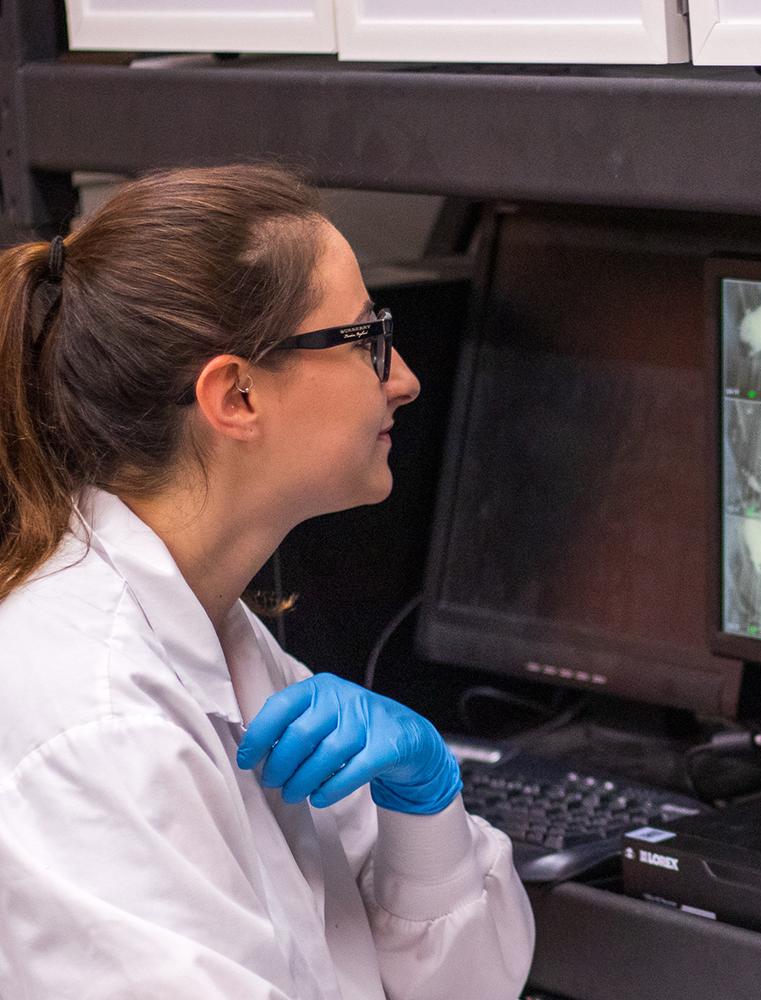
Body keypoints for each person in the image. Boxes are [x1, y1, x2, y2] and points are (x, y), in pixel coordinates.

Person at [0, 165, 534, 999]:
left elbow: (468, 986)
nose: (403, 379)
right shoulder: (97, 725)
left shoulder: (221, 642)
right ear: (236, 395)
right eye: (367, 340)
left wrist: (425, 812)